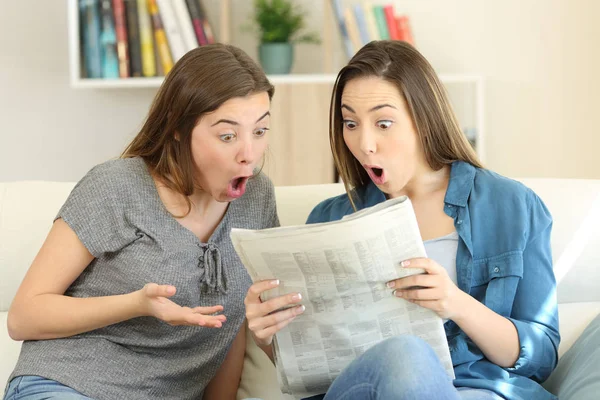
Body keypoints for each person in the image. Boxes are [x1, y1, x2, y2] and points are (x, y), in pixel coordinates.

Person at [244, 40, 559, 400]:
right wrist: (268, 338)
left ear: (424, 120)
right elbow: (313, 375)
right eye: (350, 123)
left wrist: (456, 303)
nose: (364, 144)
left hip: (477, 391)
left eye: (383, 123)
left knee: (409, 355)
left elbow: (541, 358)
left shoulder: (512, 206)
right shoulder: (331, 218)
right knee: (403, 355)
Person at [5, 43, 278, 400]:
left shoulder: (257, 201)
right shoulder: (116, 186)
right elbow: (23, 316)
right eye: (227, 136)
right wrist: (135, 304)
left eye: (259, 131)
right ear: (178, 129)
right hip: (66, 385)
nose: (249, 155)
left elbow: (230, 328)